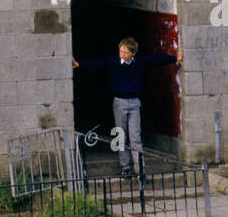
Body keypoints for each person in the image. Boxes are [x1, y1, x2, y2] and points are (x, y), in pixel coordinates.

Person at [72, 37, 182, 178]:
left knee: (135, 137)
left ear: (133, 53)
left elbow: (156, 59)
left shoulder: (139, 62)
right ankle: (125, 167)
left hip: (134, 102)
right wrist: (79, 64)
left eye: (125, 52)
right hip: (119, 102)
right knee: (121, 135)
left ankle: (140, 170)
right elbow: (97, 64)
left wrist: (174, 58)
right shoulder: (113, 62)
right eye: (121, 51)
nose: (122, 54)